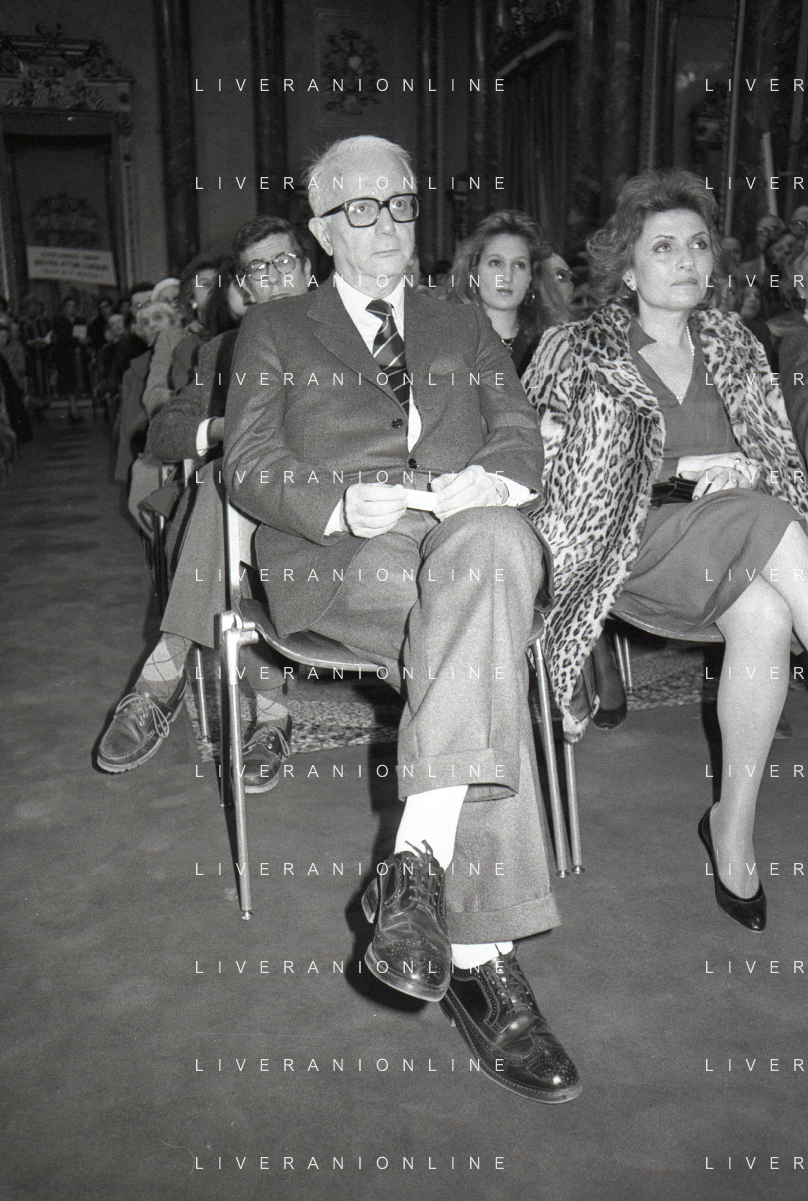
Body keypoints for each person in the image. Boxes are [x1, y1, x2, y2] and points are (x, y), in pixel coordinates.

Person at [223, 135, 580, 1104]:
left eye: (401, 204)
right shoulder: (277, 329)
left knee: (492, 551)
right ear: (322, 229)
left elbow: (518, 432)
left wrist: (492, 480)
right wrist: (339, 503)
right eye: (362, 208)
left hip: (464, 543)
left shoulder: (460, 320)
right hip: (346, 557)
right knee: (486, 631)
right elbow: (246, 463)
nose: (387, 224)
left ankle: (420, 870)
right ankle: (481, 959)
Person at [523, 169, 808, 934]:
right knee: (767, 516)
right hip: (626, 543)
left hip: (730, 540)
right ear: (626, 266)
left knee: (768, 614)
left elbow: (783, 463)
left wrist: (748, 472)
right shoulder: (575, 348)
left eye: (698, 245)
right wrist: (680, 468)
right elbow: (540, 473)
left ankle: (731, 828)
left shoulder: (737, 345)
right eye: (663, 247)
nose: (686, 259)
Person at [97, 223, 307, 790]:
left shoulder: (354, 339)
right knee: (221, 485)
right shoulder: (223, 352)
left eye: (286, 263)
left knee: (223, 488)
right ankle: (272, 719)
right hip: (243, 520)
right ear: (244, 288)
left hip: (332, 518)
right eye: (259, 269)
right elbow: (163, 433)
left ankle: (160, 683)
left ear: (310, 271)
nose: (275, 278)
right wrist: (218, 426)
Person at [441, 209, 566, 375]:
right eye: (496, 263)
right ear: (474, 271)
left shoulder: (549, 348)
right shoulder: (446, 344)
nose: (507, 277)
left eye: (519, 265)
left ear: (531, 276)